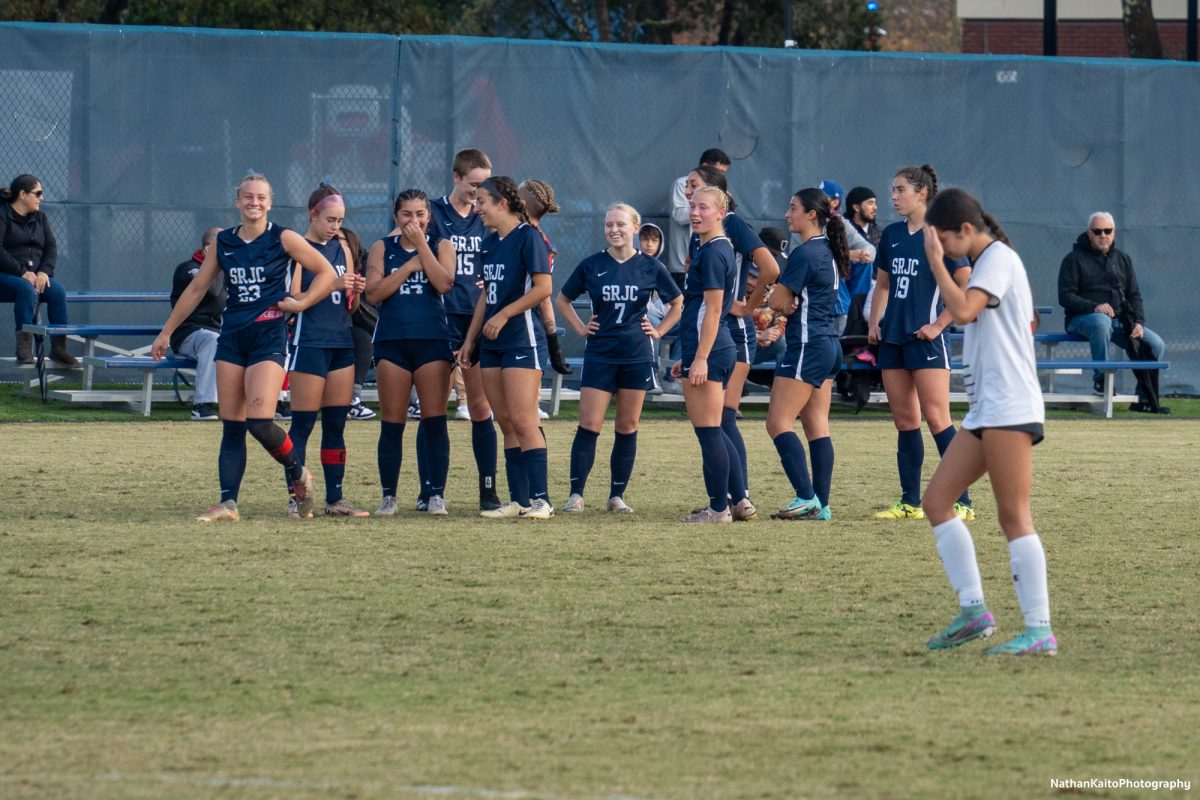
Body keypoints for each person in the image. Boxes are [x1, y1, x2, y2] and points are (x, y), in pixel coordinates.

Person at [151, 172, 338, 522]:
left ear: (270, 202)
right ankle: (228, 504)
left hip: (268, 336)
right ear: (237, 201)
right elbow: (194, 290)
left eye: (261, 197)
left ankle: (298, 473)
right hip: (232, 336)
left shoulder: (283, 237)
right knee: (232, 423)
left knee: (259, 420)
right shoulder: (224, 242)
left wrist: (300, 304)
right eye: (248, 197)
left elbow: (327, 273)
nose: (254, 203)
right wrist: (166, 332)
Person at [921, 187, 1056, 656]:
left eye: (943, 240)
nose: (939, 249)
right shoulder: (986, 262)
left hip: (1010, 406)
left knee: (1013, 516)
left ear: (964, 230)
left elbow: (961, 311)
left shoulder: (997, 258)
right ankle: (973, 611)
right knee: (937, 501)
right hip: (987, 409)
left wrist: (937, 262)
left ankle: (1040, 631)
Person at [554, 203, 682, 513]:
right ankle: (576, 495)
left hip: (636, 355)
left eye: (621, 224)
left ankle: (616, 496)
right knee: (590, 424)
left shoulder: (651, 266)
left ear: (635, 229)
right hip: (601, 353)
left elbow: (678, 302)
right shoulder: (592, 264)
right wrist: (582, 328)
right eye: (609, 224)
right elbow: (562, 299)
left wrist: (659, 330)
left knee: (627, 426)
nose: (614, 229)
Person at [867, 164, 974, 522]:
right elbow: (882, 284)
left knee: (937, 418)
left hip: (926, 340)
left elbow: (968, 284)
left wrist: (940, 324)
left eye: (900, 190)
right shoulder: (893, 234)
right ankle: (909, 502)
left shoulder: (943, 234)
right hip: (893, 339)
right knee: (905, 421)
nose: (893, 196)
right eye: (893, 190)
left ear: (922, 193)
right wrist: (874, 321)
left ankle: (964, 501)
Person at [457, 177, 555, 520]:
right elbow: (487, 295)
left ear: (502, 203)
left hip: (521, 339)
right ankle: (520, 500)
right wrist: (471, 339)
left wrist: (506, 314)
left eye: (482, 201)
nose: (477, 207)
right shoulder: (489, 243)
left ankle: (542, 500)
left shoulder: (528, 237)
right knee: (505, 422)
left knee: (525, 420)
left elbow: (543, 288)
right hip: (493, 343)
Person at [366, 189, 457, 516]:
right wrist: (406, 268)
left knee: (434, 420)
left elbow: (444, 283)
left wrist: (422, 248)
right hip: (392, 341)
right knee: (392, 422)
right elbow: (373, 293)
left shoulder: (441, 245)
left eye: (420, 214)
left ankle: (435, 495)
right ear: (396, 216)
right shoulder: (381, 247)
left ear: (428, 217)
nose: (413, 221)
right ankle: (389, 496)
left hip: (432, 340)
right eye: (407, 214)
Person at [282, 183, 371, 519]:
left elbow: (349, 305)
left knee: (336, 425)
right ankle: (297, 499)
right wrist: (330, 285)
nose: (336, 226)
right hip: (310, 343)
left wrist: (355, 291)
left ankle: (336, 499)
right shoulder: (297, 248)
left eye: (340, 220)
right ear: (313, 214)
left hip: (340, 342)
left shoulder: (342, 249)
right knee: (302, 425)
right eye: (330, 219)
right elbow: (290, 302)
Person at [765, 188, 850, 521]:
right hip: (829, 344)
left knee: (777, 423)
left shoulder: (804, 253)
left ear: (811, 215)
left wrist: (780, 300)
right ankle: (822, 505)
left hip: (809, 345)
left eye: (793, 208)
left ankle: (805, 496)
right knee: (817, 425)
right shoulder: (828, 249)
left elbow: (776, 302)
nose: (787, 215)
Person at [671, 185, 750, 523]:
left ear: (721, 213)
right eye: (692, 206)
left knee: (709, 431)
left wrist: (700, 357)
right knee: (715, 428)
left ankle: (719, 508)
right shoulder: (709, 247)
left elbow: (715, 310)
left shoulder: (716, 251)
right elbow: (701, 309)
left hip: (714, 349)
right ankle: (735, 500)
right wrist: (689, 354)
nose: (695, 212)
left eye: (703, 207)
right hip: (710, 348)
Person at [429, 148, 501, 511]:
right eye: (473, 184)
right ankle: (432, 492)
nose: (478, 192)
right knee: (434, 407)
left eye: (484, 185)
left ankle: (487, 491)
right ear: (456, 177)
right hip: (440, 317)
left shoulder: (487, 214)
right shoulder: (433, 213)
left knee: (479, 406)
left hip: (476, 318)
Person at [1057, 212, 1167, 412]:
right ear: (1089, 233)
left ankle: (1143, 400)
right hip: (1081, 319)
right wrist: (1093, 306)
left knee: (1156, 344)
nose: (1103, 235)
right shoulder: (1073, 260)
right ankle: (1101, 381)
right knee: (1101, 322)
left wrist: (1138, 322)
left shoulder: (1123, 259)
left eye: (1107, 231)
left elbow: (1135, 296)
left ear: (1114, 233)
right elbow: (1065, 297)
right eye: (1097, 231)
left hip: (1118, 321)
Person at [0, 174, 77, 366]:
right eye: (38, 193)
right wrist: (21, 272)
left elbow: (51, 247)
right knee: (25, 288)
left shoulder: (41, 217)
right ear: (23, 194)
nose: (41, 198)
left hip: (34, 276)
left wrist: (44, 272)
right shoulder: (3, 215)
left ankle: (59, 348)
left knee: (57, 291)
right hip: (7, 276)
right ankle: (24, 350)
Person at [518, 178, 573, 380]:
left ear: (521, 203)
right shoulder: (513, 235)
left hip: (525, 331)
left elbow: (543, 295)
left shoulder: (535, 242)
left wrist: (553, 343)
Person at [170, 226, 225, 420]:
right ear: (208, 249)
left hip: (219, 333)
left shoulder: (228, 271)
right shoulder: (189, 268)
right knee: (213, 341)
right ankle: (203, 404)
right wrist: (216, 263)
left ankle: (274, 402)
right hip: (187, 334)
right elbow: (212, 290)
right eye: (223, 245)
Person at [818, 179, 877, 335]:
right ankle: (848, 318)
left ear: (835, 201)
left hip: (851, 282)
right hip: (817, 275)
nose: (816, 200)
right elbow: (816, 256)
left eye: (822, 197)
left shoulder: (840, 222)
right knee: (834, 268)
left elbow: (870, 249)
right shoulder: (809, 219)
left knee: (865, 263)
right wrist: (848, 255)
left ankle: (856, 312)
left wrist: (863, 255)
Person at [667, 148, 730, 288]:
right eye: (688, 186)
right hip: (681, 265)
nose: (688, 192)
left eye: (693, 186)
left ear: (722, 212)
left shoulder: (719, 249)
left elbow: (713, 306)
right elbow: (678, 215)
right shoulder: (681, 185)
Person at [341, 227, 377, 420]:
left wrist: (356, 291)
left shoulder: (364, 264)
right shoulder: (315, 260)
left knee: (363, 339)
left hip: (348, 324)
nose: (336, 243)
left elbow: (352, 309)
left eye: (342, 240)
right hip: (316, 327)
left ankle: (352, 399)